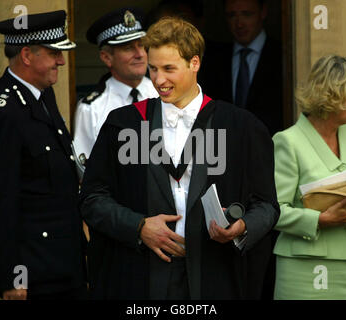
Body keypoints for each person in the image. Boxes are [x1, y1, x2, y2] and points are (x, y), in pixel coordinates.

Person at [79, 16, 279, 300]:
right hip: (142, 278)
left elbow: (267, 206)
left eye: (169, 69)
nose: (159, 80)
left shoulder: (241, 127)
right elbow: (92, 198)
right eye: (153, 69)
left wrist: (242, 226)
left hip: (214, 275)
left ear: (194, 63)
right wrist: (138, 227)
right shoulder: (124, 124)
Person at [0, 10, 87, 300]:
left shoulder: (42, 94)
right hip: (35, 273)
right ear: (26, 55)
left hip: (64, 263)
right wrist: (11, 276)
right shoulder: (4, 112)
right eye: (53, 53)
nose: (61, 61)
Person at [273, 55, 346, 300]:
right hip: (305, 270)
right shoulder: (288, 141)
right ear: (332, 96)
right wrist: (319, 219)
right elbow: (273, 210)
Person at [73, 7, 158, 160]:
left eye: (141, 45)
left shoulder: (162, 92)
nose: (139, 54)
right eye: (128, 48)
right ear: (107, 58)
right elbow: (86, 170)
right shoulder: (91, 109)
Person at [199, 0, 283, 136]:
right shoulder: (214, 60)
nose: (239, 24)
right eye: (232, 15)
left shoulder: (282, 57)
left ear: (263, 12)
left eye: (247, 14)